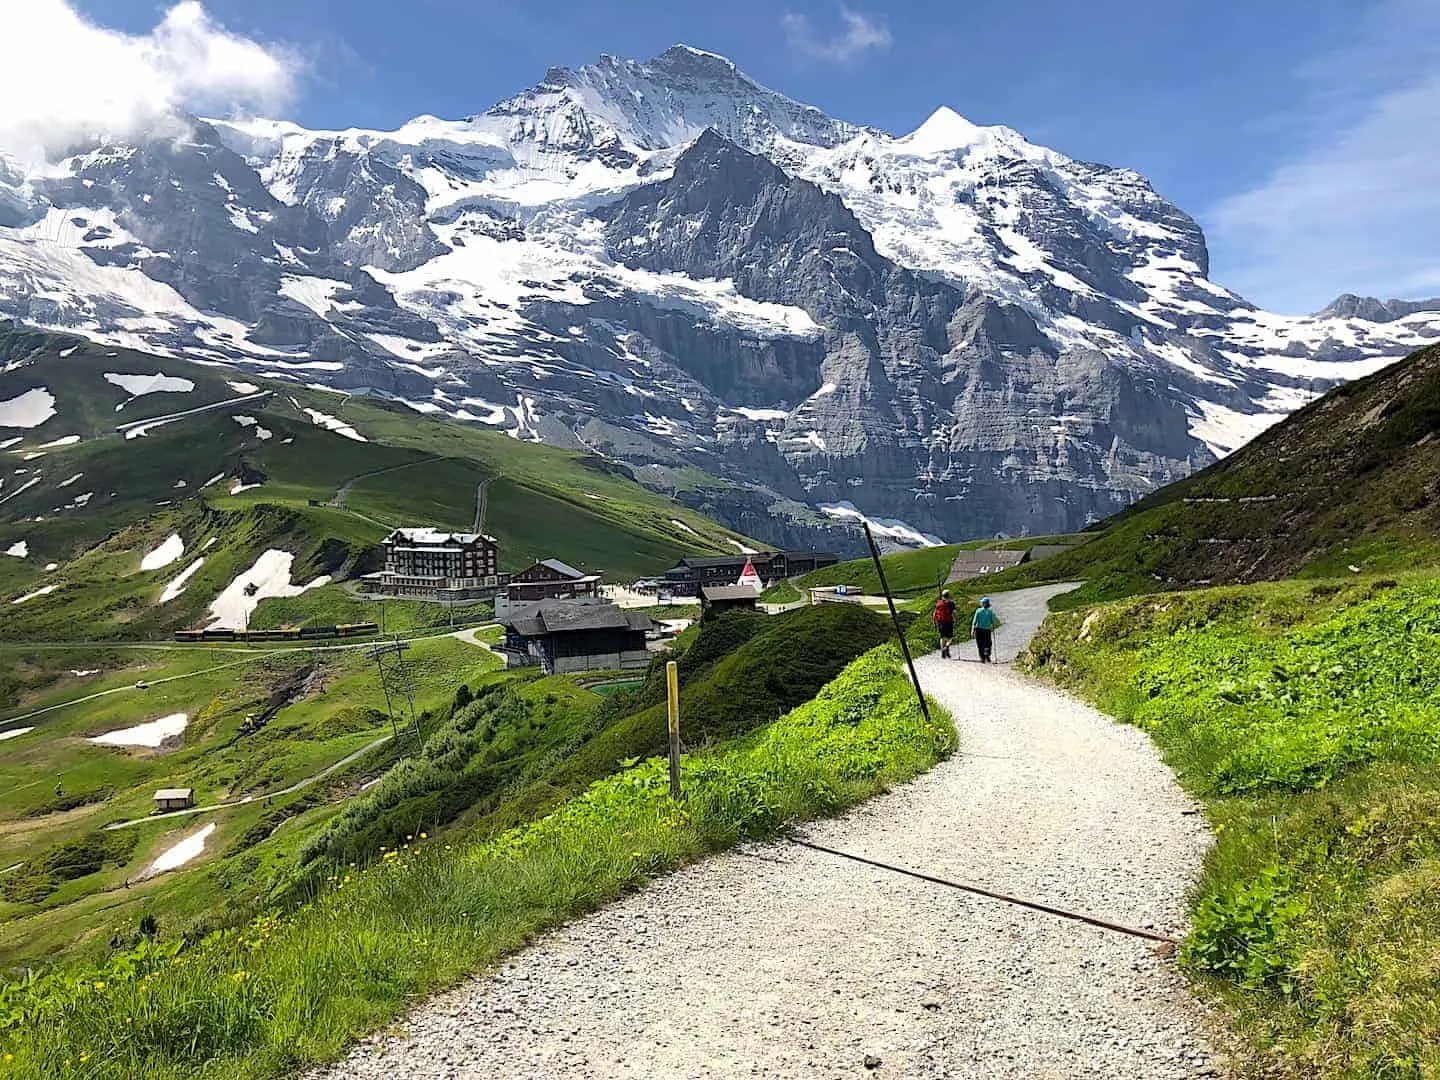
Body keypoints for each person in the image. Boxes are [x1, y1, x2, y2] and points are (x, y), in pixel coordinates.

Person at [933, 589, 957, 658]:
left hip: (940, 623)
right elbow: (954, 613)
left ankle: (942, 652)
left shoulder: (938, 603)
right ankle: (946, 647)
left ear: (942, 595)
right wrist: (955, 619)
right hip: (949, 622)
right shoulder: (951, 603)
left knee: (942, 638)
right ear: (949, 595)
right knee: (950, 638)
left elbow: (934, 613)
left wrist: (934, 622)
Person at [972, 597, 998, 663]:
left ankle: (982, 657)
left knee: (980, 644)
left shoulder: (978, 611)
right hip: (987, 630)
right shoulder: (990, 612)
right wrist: (993, 627)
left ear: (983, 604)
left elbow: (974, 621)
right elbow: (993, 622)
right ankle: (987, 655)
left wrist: (972, 629)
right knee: (988, 643)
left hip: (978, 630)